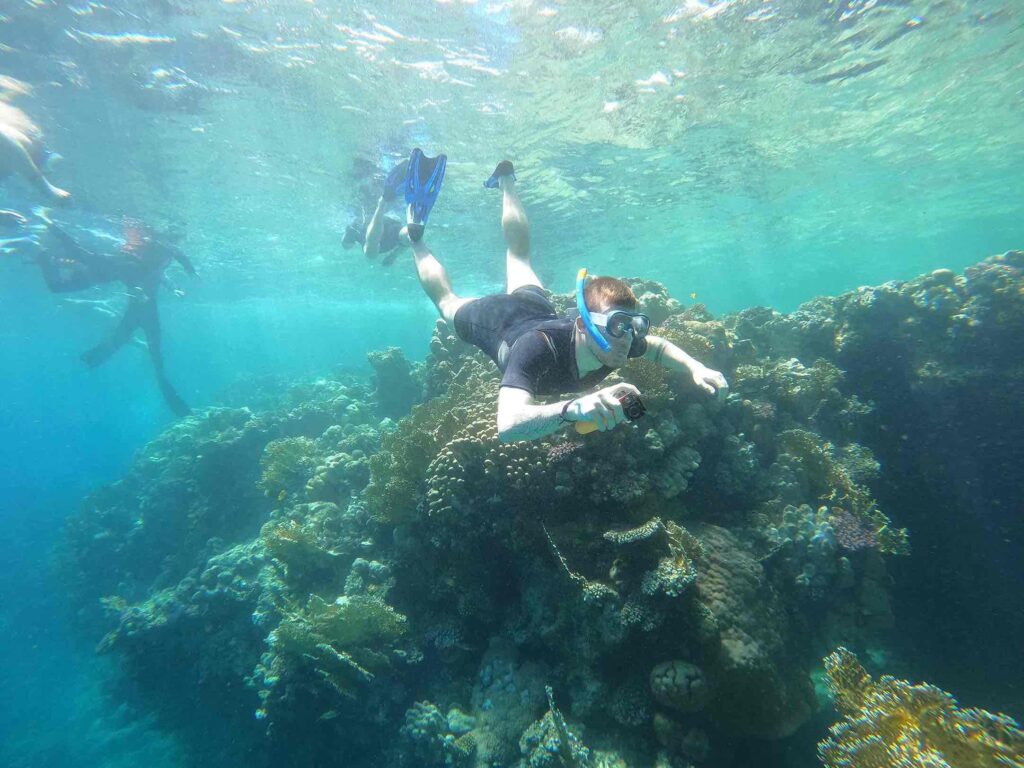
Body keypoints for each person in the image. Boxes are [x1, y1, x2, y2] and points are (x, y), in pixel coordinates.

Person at [405, 160, 728, 443]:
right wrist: (572, 409)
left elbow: (657, 347)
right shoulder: (536, 351)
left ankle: (506, 179)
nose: (629, 338)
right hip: (498, 320)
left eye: (634, 326)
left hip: (536, 309)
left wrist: (695, 367)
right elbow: (507, 426)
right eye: (618, 325)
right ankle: (416, 238)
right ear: (582, 324)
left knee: (519, 258)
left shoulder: (617, 342)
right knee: (447, 302)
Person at [31, 218, 196, 416]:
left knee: (138, 342)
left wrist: (175, 286)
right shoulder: (147, 253)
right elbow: (144, 268)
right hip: (125, 289)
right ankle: (45, 243)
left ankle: (93, 359)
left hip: (133, 297)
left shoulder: (156, 256)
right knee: (145, 345)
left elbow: (158, 271)